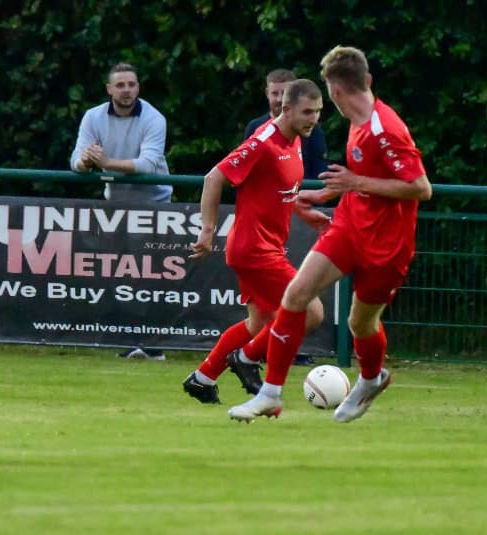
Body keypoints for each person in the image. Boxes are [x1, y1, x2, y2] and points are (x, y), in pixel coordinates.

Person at [228, 46, 433, 423]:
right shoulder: (357, 121)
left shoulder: (385, 129)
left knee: (360, 324)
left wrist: (355, 182)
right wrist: (326, 194)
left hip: (388, 244)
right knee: (296, 295)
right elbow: (365, 181)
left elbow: (421, 188)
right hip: (350, 225)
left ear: (334, 91)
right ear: (367, 79)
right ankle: (269, 394)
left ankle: (371, 378)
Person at [183, 79, 330, 404]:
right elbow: (214, 177)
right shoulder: (263, 142)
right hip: (254, 249)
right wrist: (207, 229)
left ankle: (202, 378)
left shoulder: (294, 140)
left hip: (266, 246)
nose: (314, 119)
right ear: (286, 109)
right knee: (311, 311)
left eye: (318, 111)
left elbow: (279, 192)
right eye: (307, 112)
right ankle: (246, 359)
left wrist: (305, 213)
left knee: (258, 323)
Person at [70, 62, 171, 360]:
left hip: (154, 207)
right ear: (109, 89)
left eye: (132, 84)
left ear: (138, 87)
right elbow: (76, 160)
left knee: (152, 276)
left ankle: (154, 346)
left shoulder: (154, 118)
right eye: (121, 85)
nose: (127, 90)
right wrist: (86, 161)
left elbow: (147, 165)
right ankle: (129, 341)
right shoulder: (93, 117)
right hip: (115, 207)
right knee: (120, 274)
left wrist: (105, 163)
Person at [244, 69, 328, 180]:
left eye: (284, 93)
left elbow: (320, 176)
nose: (280, 99)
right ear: (267, 94)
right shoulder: (255, 128)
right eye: (275, 93)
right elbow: (238, 172)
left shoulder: (311, 129)